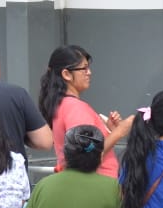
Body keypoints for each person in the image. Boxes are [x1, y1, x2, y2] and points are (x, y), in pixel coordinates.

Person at [37, 44, 134, 177]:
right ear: (66, 74)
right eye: (84, 68)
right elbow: (86, 155)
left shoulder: (63, 104)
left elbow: (87, 147)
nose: (89, 72)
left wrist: (107, 131)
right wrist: (120, 131)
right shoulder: (74, 107)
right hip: (97, 186)